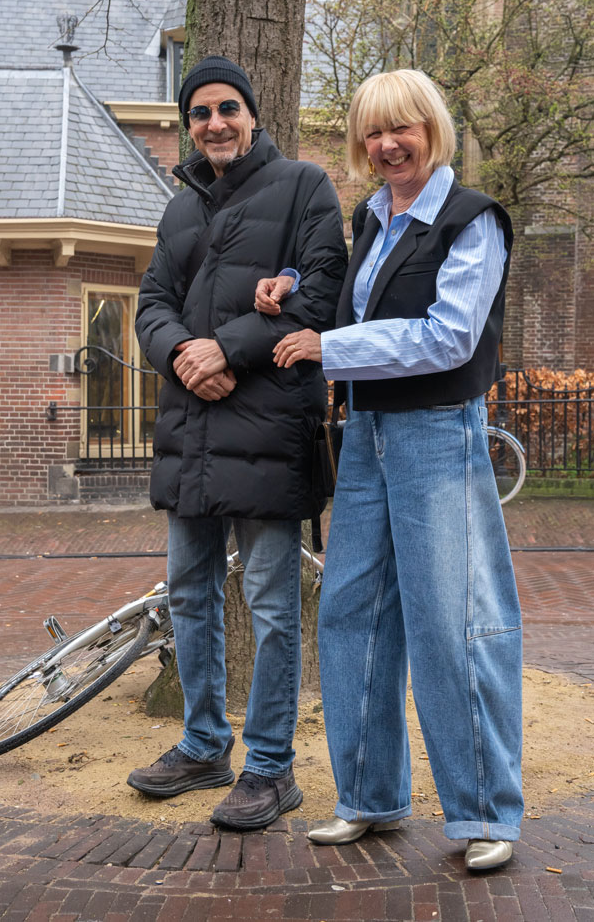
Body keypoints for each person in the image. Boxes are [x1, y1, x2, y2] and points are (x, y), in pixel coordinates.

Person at [257, 69, 523, 869]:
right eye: (372, 132)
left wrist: (329, 347)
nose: (386, 144)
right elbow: (359, 302)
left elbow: (448, 336)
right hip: (366, 432)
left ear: (431, 128)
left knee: (452, 621)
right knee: (350, 614)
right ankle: (368, 797)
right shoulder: (371, 218)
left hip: (436, 434)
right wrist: (292, 287)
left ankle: (485, 812)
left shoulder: (473, 221)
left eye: (400, 127)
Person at [131, 55, 347, 830]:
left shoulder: (305, 186)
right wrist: (180, 355)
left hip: (267, 428)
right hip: (190, 431)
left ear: (252, 114)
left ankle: (270, 766)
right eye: (199, 112)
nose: (214, 122)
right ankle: (202, 744)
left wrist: (224, 348)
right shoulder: (178, 209)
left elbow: (321, 292)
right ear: (187, 125)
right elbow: (150, 304)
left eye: (228, 108)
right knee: (188, 595)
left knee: (270, 602)